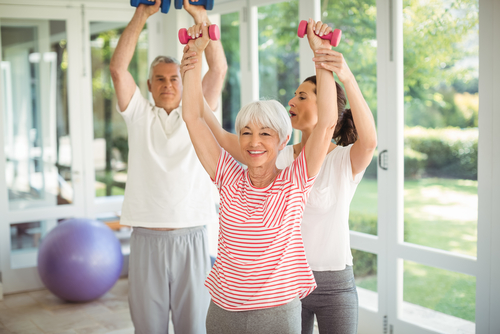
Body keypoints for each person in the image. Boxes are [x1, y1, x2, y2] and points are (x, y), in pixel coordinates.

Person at [182, 20, 377, 334]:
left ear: (282, 139)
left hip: (285, 303)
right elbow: (193, 118)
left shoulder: (295, 180)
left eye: (265, 133)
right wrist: (191, 62)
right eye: (246, 133)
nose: (254, 141)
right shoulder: (229, 175)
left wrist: (322, 55)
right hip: (223, 309)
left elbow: (328, 122)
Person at [109, 0, 227, 332]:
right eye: (159, 79)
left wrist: (201, 17)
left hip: (192, 236)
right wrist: (142, 13)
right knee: (148, 328)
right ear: (149, 86)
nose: (167, 85)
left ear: (183, 81)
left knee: (193, 327)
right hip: (146, 237)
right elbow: (118, 69)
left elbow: (217, 70)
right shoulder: (139, 115)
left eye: (175, 78)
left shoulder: (198, 113)